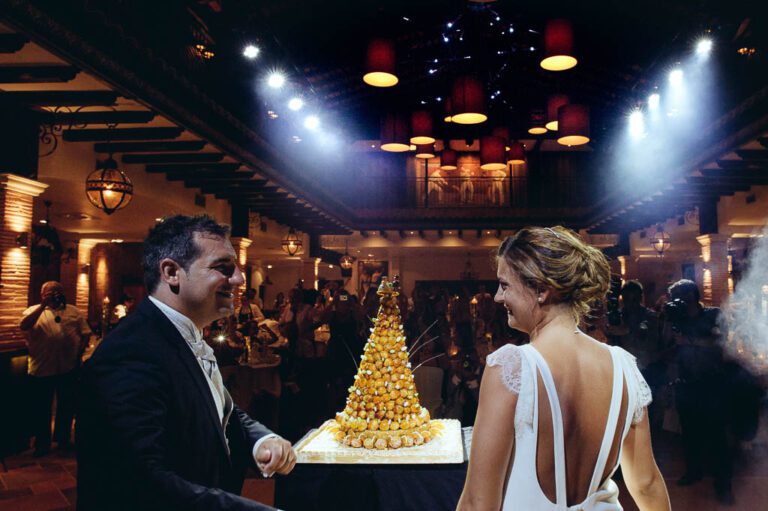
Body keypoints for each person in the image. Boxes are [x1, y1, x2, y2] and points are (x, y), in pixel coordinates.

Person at [76, 214, 295, 511]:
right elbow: (141, 481)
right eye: (223, 267)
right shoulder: (131, 351)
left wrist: (260, 439)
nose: (239, 279)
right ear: (171, 272)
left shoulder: (182, 334)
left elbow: (218, 410)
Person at [458, 226, 670, 511]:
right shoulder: (623, 366)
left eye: (504, 286)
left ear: (541, 290)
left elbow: (477, 503)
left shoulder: (512, 368)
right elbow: (646, 484)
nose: (497, 297)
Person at [662, 279, 733, 504]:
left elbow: (720, 342)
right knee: (690, 433)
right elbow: (667, 348)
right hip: (686, 384)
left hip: (712, 384)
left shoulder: (713, 314)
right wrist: (667, 322)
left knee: (717, 435)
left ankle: (723, 485)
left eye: (678, 296)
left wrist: (689, 340)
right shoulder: (678, 318)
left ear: (691, 295)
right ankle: (694, 471)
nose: (675, 301)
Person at [19, 280, 91, 455]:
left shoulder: (73, 311)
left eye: (58, 291)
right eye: (50, 292)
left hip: (68, 367)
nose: (55, 295)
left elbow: (85, 334)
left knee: (66, 406)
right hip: (42, 367)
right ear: (42, 295)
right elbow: (24, 326)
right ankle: (42, 443)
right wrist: (43, 306)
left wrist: (79, 353)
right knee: (41, 408)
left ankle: (62, 439)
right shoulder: (32, 311)